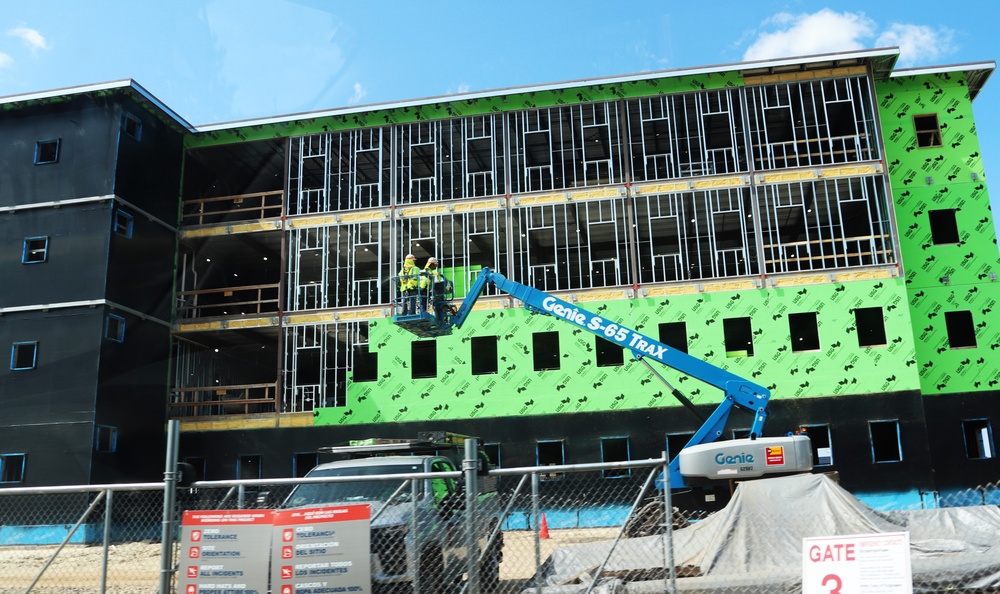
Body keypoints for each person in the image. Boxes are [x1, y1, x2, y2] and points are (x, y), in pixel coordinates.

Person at [419, 256, 451, 322]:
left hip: (426, 288)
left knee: (429, 301)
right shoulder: (426, 270)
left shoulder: (428, 270)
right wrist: (435, 275)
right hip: (424, 288)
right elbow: (428, 276)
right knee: (424, 301)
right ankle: (424, 312)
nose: (436, 266)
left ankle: (439, 315)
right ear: (432, 264)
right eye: (435, 265)